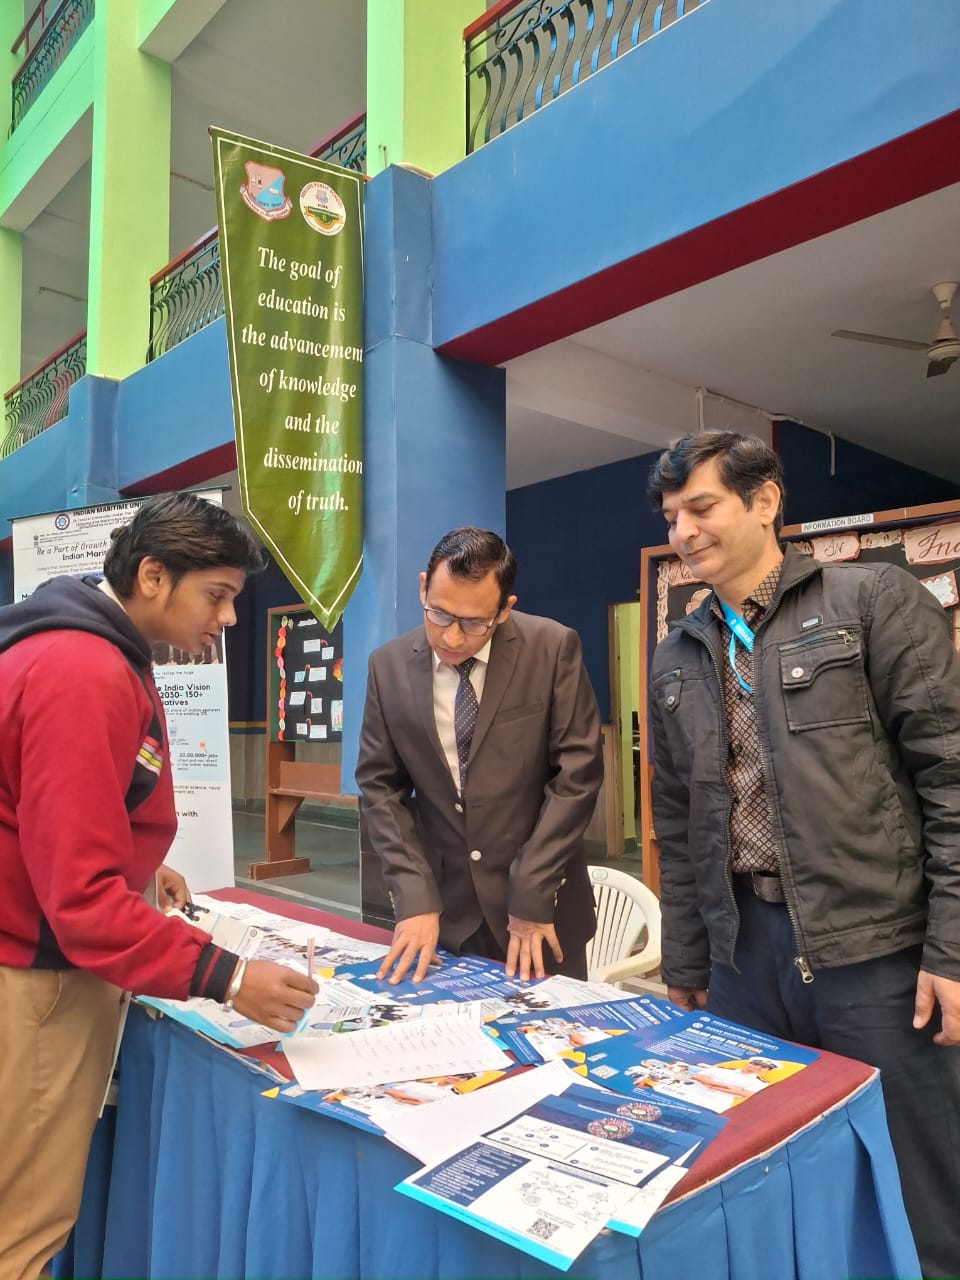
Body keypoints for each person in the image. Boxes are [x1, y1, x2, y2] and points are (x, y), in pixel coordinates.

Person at [647, 430, 960, 1277]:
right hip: (742, 958)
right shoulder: (678, 652)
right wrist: (689, 956)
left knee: (916, 1179)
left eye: (701, 508)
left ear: (765, 501)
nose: (683, 532)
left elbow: (949, 778)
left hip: (873, 951)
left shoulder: (871, 601)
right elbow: (678, 821)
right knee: (762, 1162)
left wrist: (951, 950)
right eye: (672, 517)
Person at [0, 492, 318, 1280]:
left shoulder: (79, 646)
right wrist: (229, 977)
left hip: (31, 947)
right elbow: (80, 900)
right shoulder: (82, 671)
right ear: (151, 576)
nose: (229, 619)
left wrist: (137, 864)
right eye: (217, 595)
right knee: (21, 1227)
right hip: (38, 979)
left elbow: (50, 811)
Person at [355, 526, 603, 984]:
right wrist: (413, 893)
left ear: (504, 609)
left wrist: (532, 888)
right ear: (423, 587)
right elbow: (379, 787)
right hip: (443, 916)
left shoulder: (551, 649)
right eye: (438, 614)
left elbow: (578, 776)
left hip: (540, 915)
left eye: (473, 623)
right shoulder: (387, 667)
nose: (451, 638)